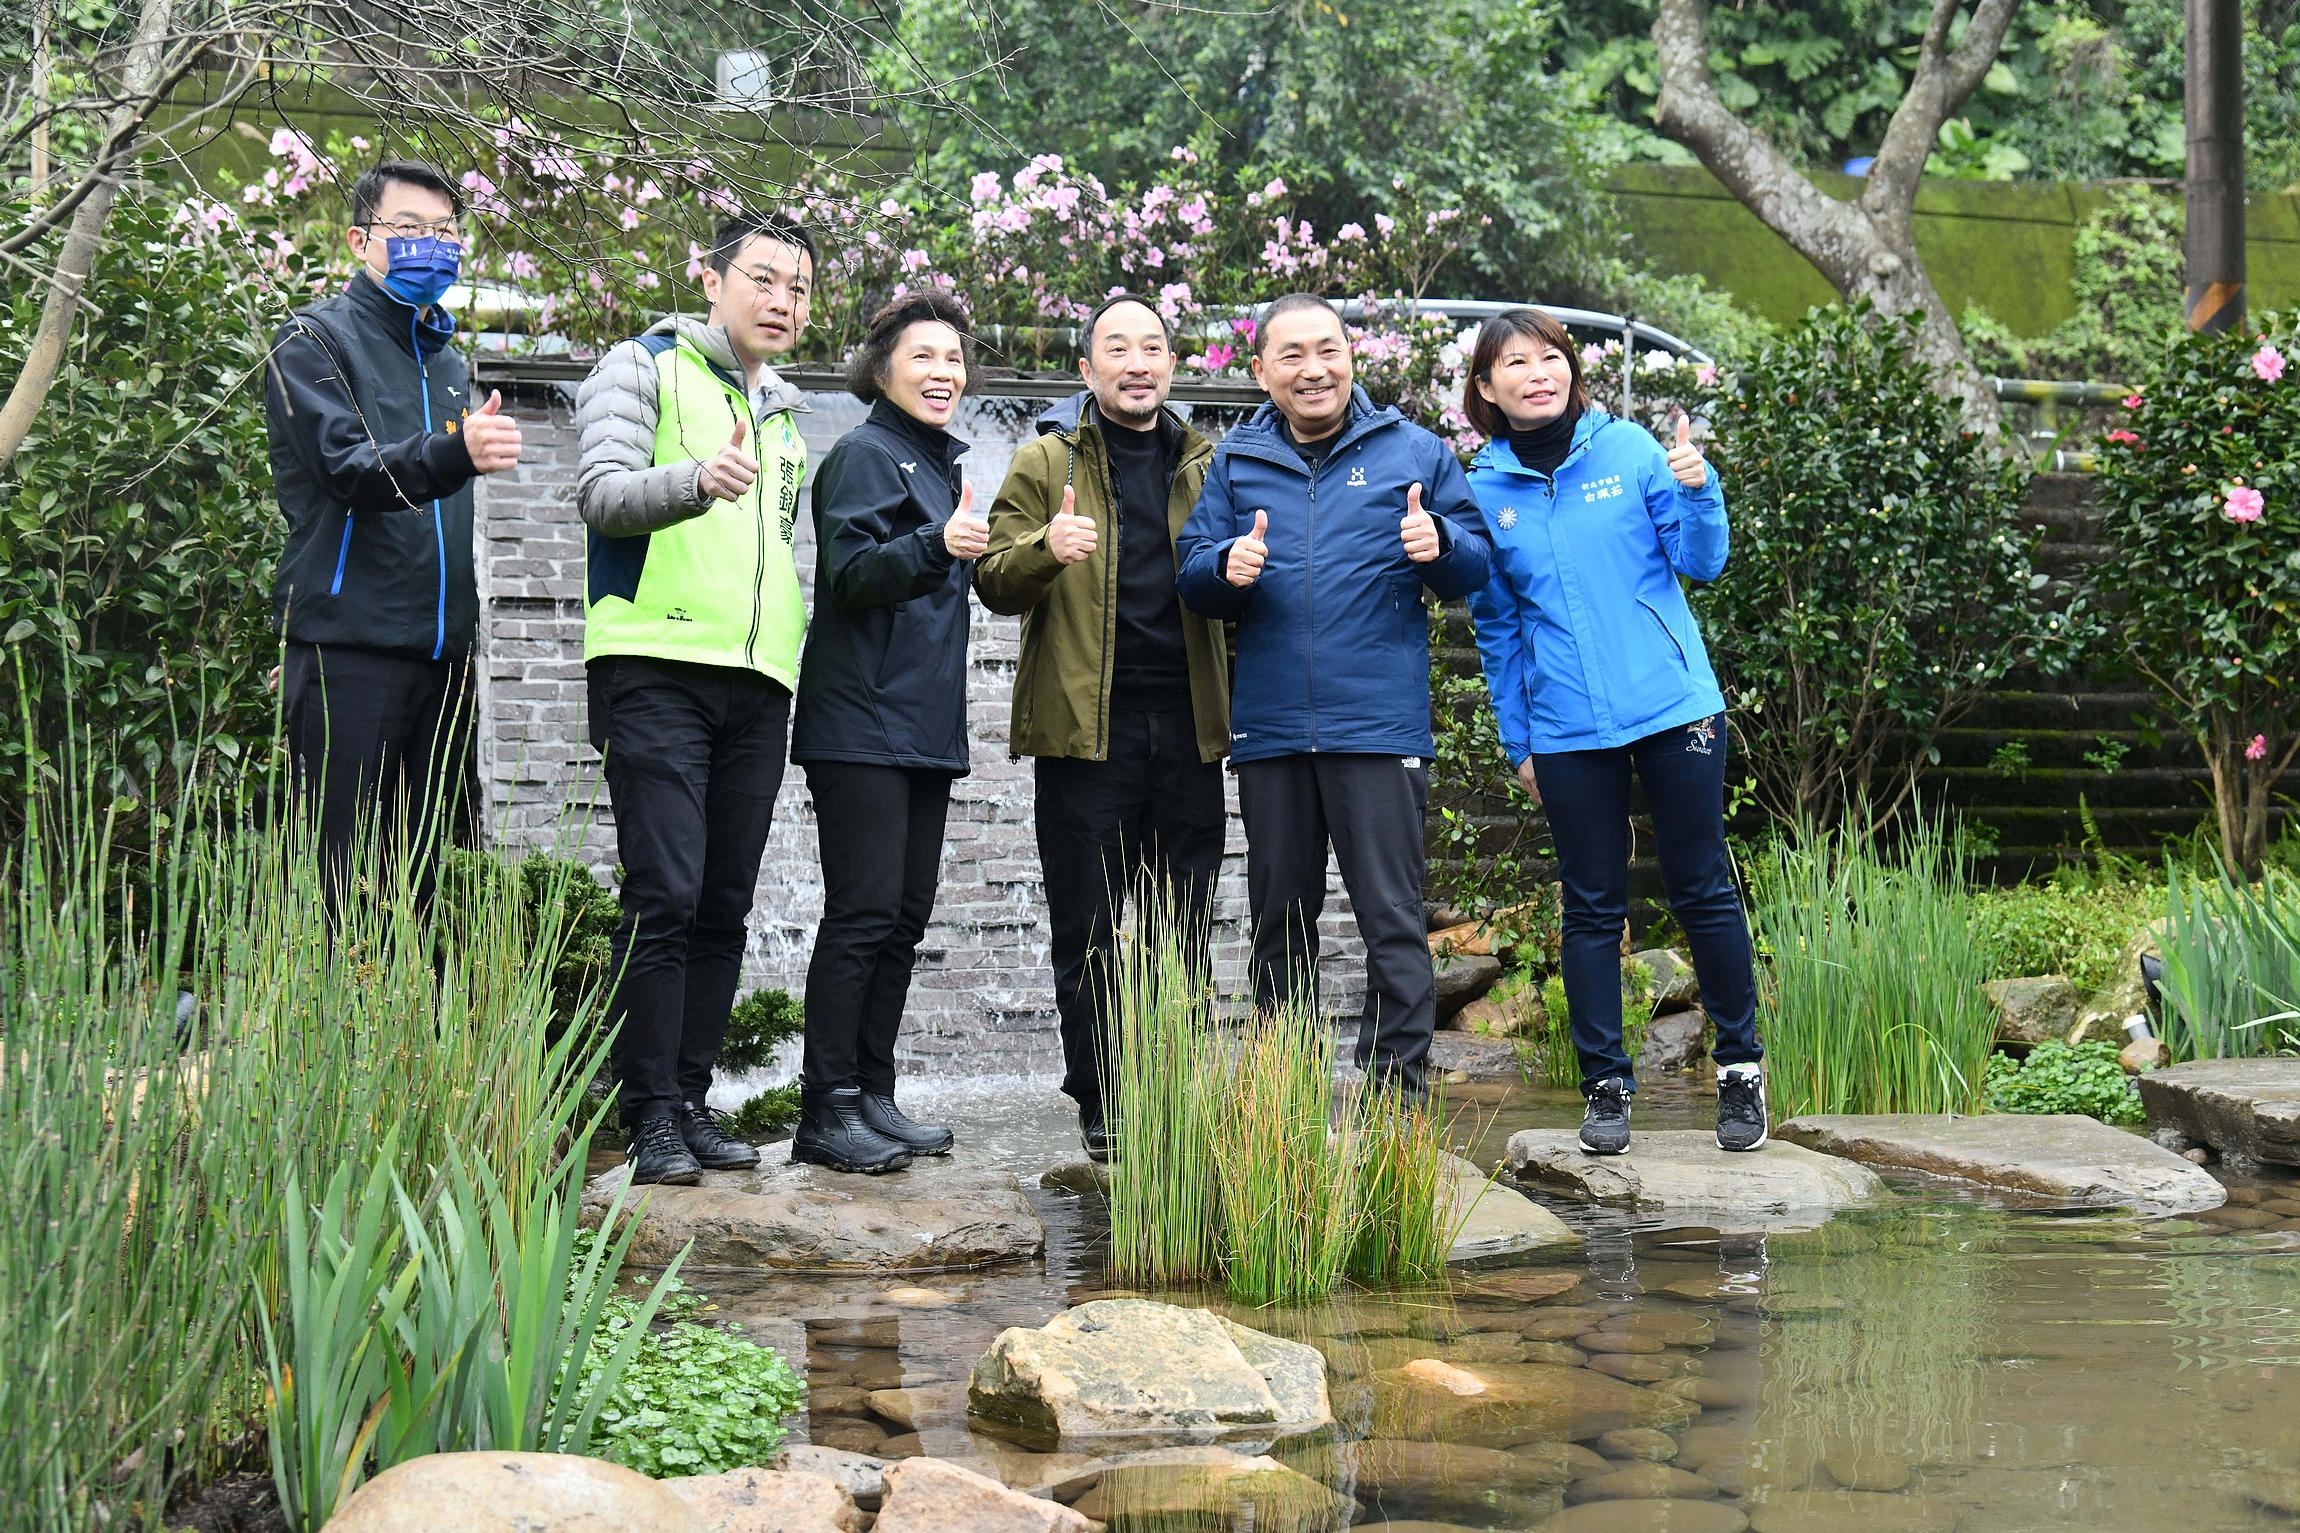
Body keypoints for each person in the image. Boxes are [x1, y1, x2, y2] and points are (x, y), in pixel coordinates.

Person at [1458, 307, 1766, 1156]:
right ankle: (1605, 1087)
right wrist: (1517, 740)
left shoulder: (1631, 450)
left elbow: (1701, 561)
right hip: (1565, 726)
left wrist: (1702, 489)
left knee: (1701, 883)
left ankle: (1741, 1070)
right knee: (1590, 906)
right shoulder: (1485, 487)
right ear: (1486, 388)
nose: (1536, 373)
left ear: (1570, 366)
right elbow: (1496, 626)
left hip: (1674, 707)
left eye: (1548, 356)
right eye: (1514, 363)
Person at [1176, 293, 1491, 1098]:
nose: (1312, 369)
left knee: (1390, 919)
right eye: (1291, 355)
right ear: (1261, 371)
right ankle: (1284, 1094)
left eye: (1327, 350)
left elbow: (1476, 564)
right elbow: (1192, 572)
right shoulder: (1238, 462)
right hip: (1273, 731)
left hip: (1377, 726)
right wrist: (1222, 570)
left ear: (1352, 356)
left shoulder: (1414, 452)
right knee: (1277, 921)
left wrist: (1441, 543)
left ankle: (1396, 1092)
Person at [573, 210, 816, 1186]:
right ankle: (648, 1116)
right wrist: (692, 481)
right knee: (663, 895)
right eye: (762, 278)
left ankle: (690, 1095)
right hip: (653, 665)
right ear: (708, 277)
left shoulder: (788, 413)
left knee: (722, 902)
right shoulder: (641, 366)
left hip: (757, 681)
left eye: (797, 287)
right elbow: (598, 491)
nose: (780, 300)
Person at [978, 293, 1231, 1161]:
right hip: (1087, 733)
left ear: (1171, 365)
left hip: (1191, 728)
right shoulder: (1045, 460)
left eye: (1152, 347)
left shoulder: (1207, 463)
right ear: (1087, 371)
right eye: (1117, 348)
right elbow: (994, 578)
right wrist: (1048, 545)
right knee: (1088, 924)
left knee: (1183, 922)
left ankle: (1173, 1084)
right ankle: (1103, 1096)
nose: (1137, 362)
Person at [266, 158, 521, 909]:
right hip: (350, 650)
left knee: (432, 891)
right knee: (334, 884)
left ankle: (422, 1030)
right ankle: (325, 1029)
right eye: (408, 229)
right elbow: (348, 469)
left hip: (442, 659)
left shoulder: (447, 362)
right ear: (357, 240)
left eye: (445, 231)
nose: (431, 245)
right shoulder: (313, 341)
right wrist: (454, 452)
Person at [789, 292, 985, 1174]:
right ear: (881, 367)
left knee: (902, 918)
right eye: (924, 356)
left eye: (954, 358)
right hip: (860, 725)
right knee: (862, 915)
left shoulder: (937, 465)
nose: (943, 372)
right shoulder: (864, 454)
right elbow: (854, 573)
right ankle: (825, 1109)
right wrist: (939, 544)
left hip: (921, 730)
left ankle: (873, 1094)